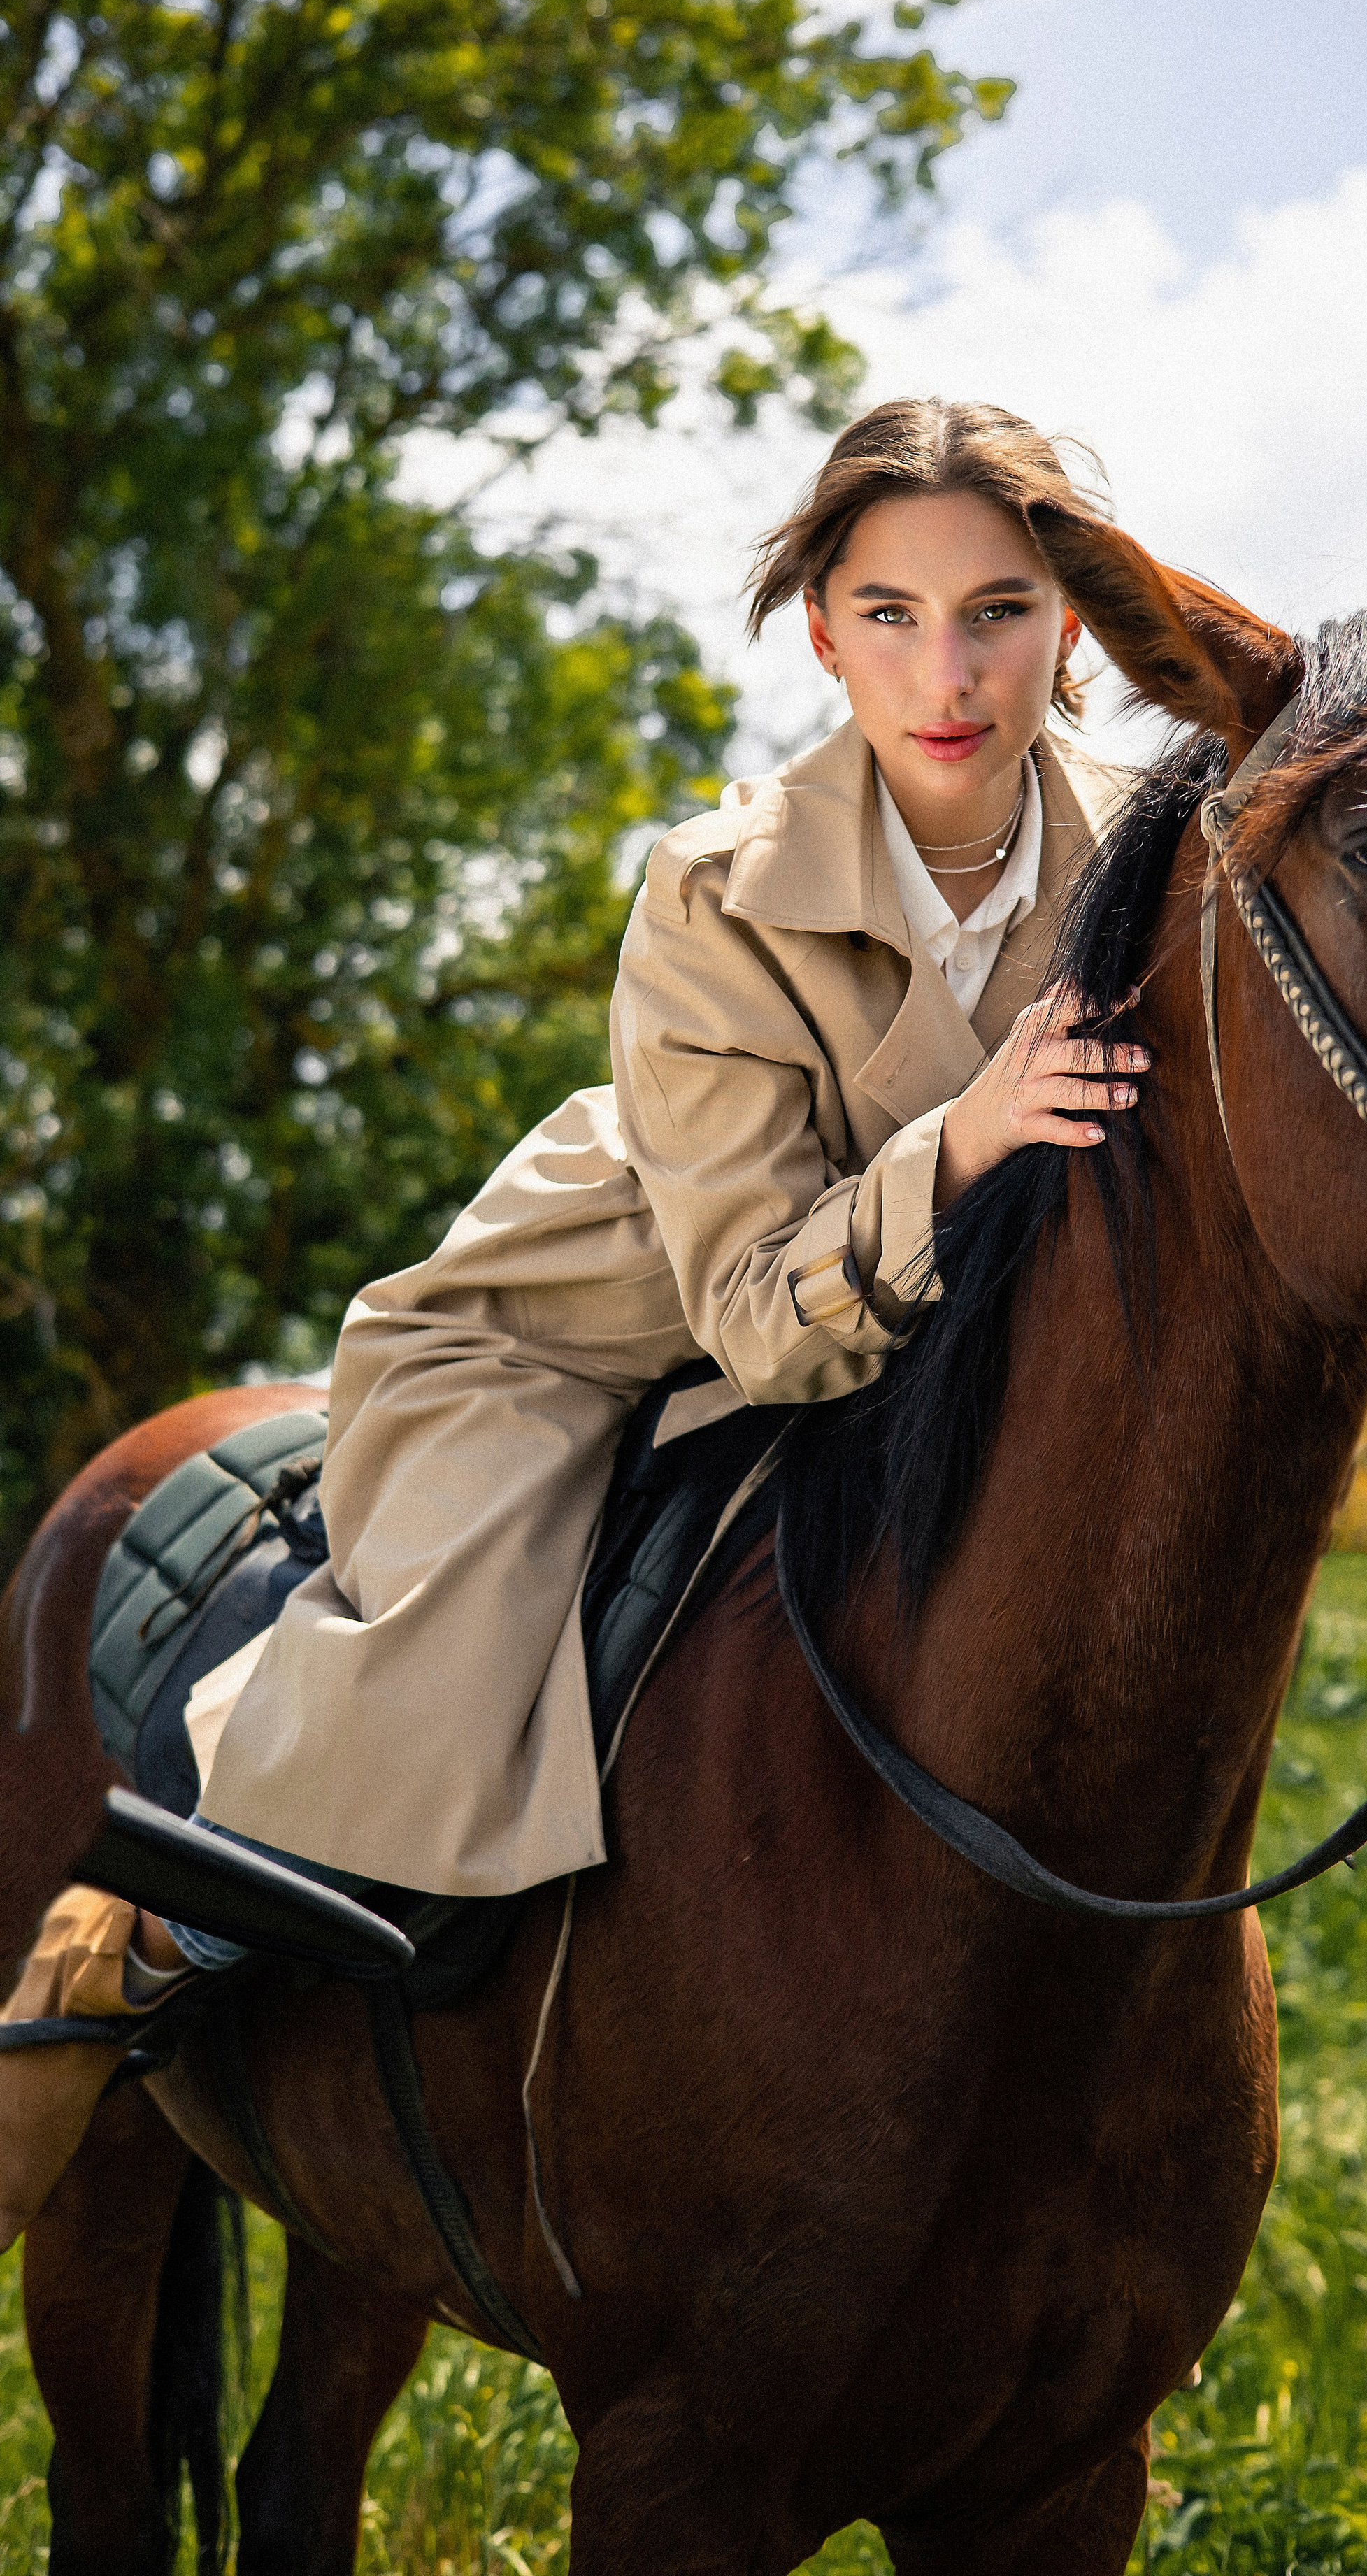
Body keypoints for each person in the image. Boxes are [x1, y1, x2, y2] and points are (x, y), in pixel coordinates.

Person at [0, 397, 1150, 2245]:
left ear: (1073, 627)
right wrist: (976, 1133)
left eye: (999, 610)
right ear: (822, 633)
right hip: (605, 1326)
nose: (948, 670)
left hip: (922, 1344)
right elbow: (767, 1317)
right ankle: (128, 1948)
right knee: (421, 1695)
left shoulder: (1152, 864)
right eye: (890, 613)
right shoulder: (712, 889)